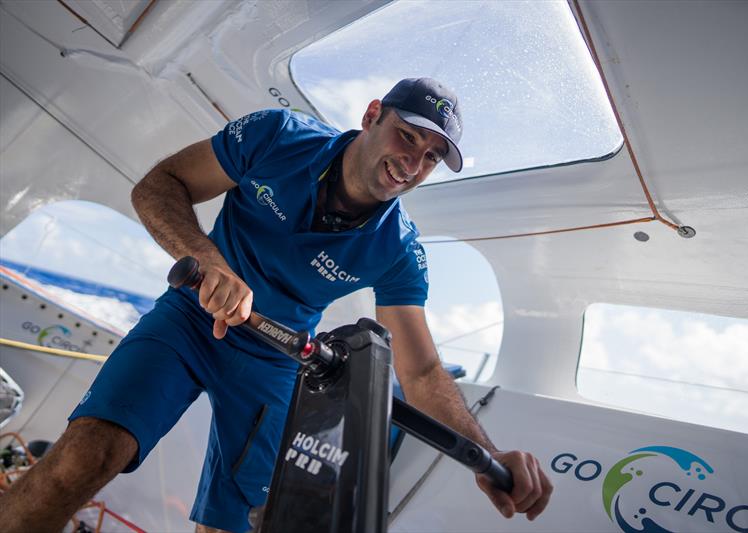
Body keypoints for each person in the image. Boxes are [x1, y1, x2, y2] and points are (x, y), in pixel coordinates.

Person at [0, 78, 552, 532]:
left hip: (276, 359)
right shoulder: (276, 136)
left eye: (431, 158)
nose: (413, 163)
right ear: (372, 115)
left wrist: (487, 453)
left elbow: (423, 369)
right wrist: (209, 262)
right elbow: (158, 184)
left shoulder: (400, 250)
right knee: (86, 458)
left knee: (240, 525)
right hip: (190, 320)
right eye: (408, 137)